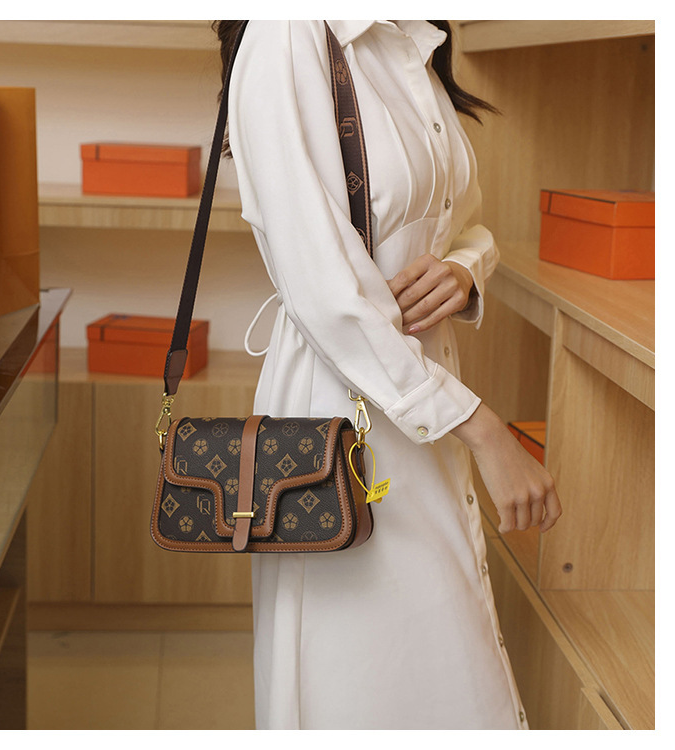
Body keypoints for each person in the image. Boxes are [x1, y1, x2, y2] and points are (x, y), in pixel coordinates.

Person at [213, 19, 562, 730]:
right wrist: (484, 429)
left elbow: (459, 219)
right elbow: (325, 291)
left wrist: (465, 267)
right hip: (337, 423)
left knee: (441, 677)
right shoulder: (287, 31)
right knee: (362, 686)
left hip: (424, 403)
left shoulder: (410, 36)